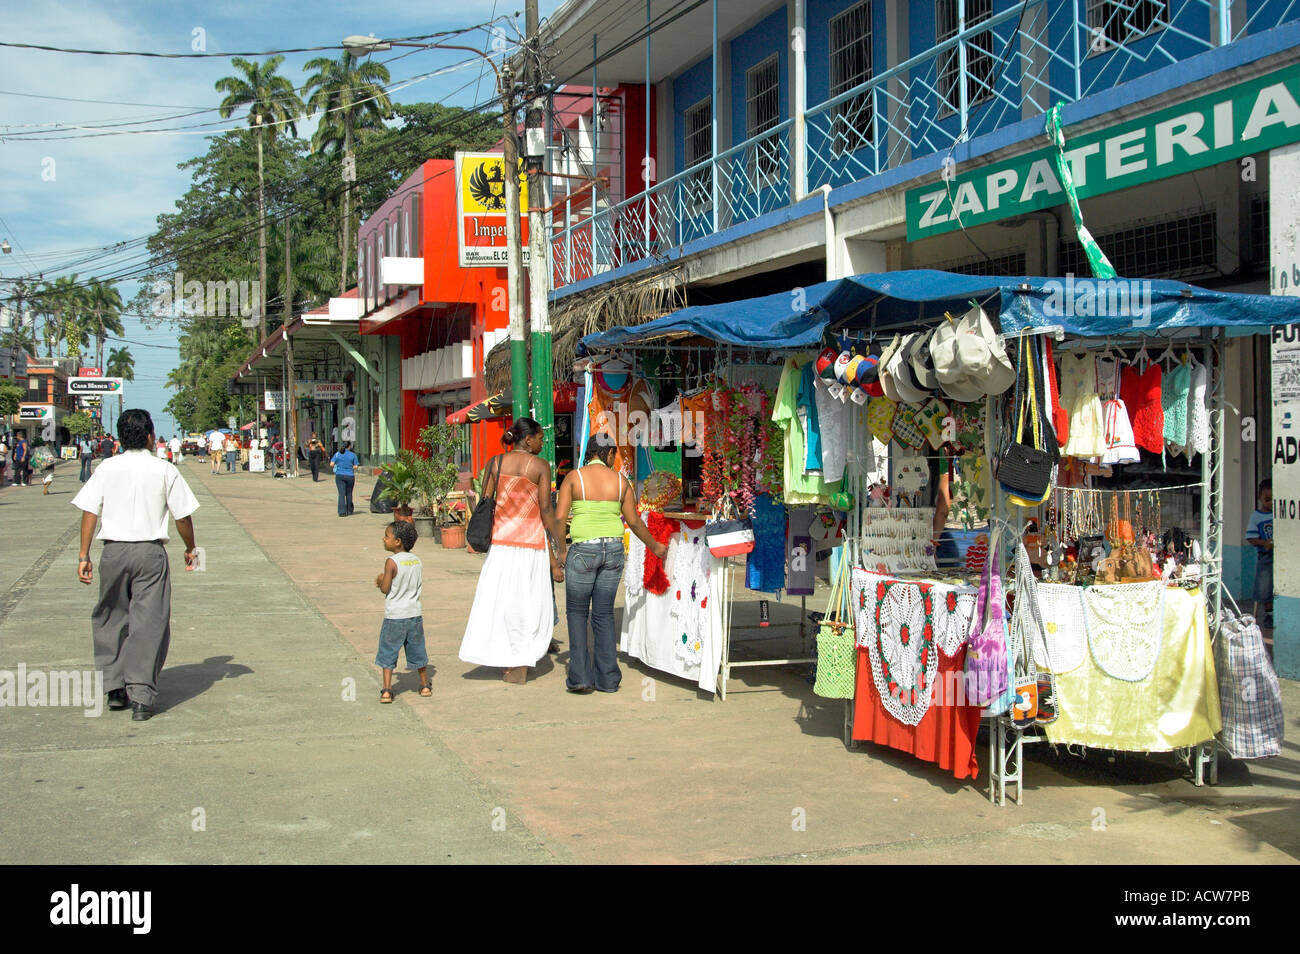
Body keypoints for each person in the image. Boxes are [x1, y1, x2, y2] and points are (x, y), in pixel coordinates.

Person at [72, 408, 200, 722]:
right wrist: (191, 548)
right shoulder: (165, 469)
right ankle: (141, 695)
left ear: (119, 438)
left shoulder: (106, 468)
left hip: (113, 552)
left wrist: (83, 555)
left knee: (111, 616)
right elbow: (182, 516)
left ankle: (115, 689)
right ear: (149, 436)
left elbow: (90, 511)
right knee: (150, 621)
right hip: (150, 553)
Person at [554, 434, 668, 694]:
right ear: (607, 454)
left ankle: (581, 677)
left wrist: (561, 550)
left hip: (583, 549)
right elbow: (636, 522)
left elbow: (560, 518)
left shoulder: (574, 478)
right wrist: (655, 546)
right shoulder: (620, 481)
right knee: (603, 614)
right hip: (614, 551)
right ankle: (608, 679)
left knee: (577, 612)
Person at [459, 418, 566, 684]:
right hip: (530, 544)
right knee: (527, 604)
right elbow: (545, 510)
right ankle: (520, 662)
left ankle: (504, 655)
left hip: (501, 543)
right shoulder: (540, 466)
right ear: (527, 440)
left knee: (499, 601)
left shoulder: (495, 462)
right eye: (540, 438)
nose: (543, 443)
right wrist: (560, 543)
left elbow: (485, 501)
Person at [374, 520, 429, 703]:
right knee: (417, 650)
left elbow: (385, 588)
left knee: (388, 652)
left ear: (397, 541)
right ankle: (424, 685)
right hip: (414, 614)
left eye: (387, 536)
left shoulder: (391, 562)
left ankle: (387, 690)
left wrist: (380, 580)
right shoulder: (416, 560)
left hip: (395, 616)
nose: (384, 539)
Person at [1246, 478, 1273, 627]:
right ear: (1259, 498)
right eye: (1267, 499)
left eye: (1273, 500)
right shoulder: (1256, 516)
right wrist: (1265, 543)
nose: (1270, 503)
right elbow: (1250, 537)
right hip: (1266, 555)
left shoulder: (1279, 514)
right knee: (1265, 584)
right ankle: (1268, 614)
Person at [330, 441, 360, 516]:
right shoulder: (353, 455)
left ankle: (342, 512)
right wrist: (350, 467)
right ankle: (349, 510)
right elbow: (356, 466)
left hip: (339, 475)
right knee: (349, 493)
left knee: (341, 494)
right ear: (349, 447)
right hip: (350, 475)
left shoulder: (337, 454)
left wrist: (338, 466)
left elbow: (331, 464)